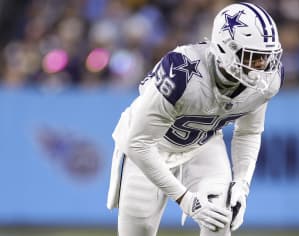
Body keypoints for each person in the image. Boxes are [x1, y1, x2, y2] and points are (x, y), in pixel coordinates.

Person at [106, 2, 284, 236]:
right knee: (138, 231)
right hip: (149, 147)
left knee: (219, 219)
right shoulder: (181, 72)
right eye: (253, 57)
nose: (262, 66)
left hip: (202, 144)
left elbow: (249, 132)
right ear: (226, 49)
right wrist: (185, 199)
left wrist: (241, 185)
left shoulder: (267, 80)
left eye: (266, 57)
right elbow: (137, 142)